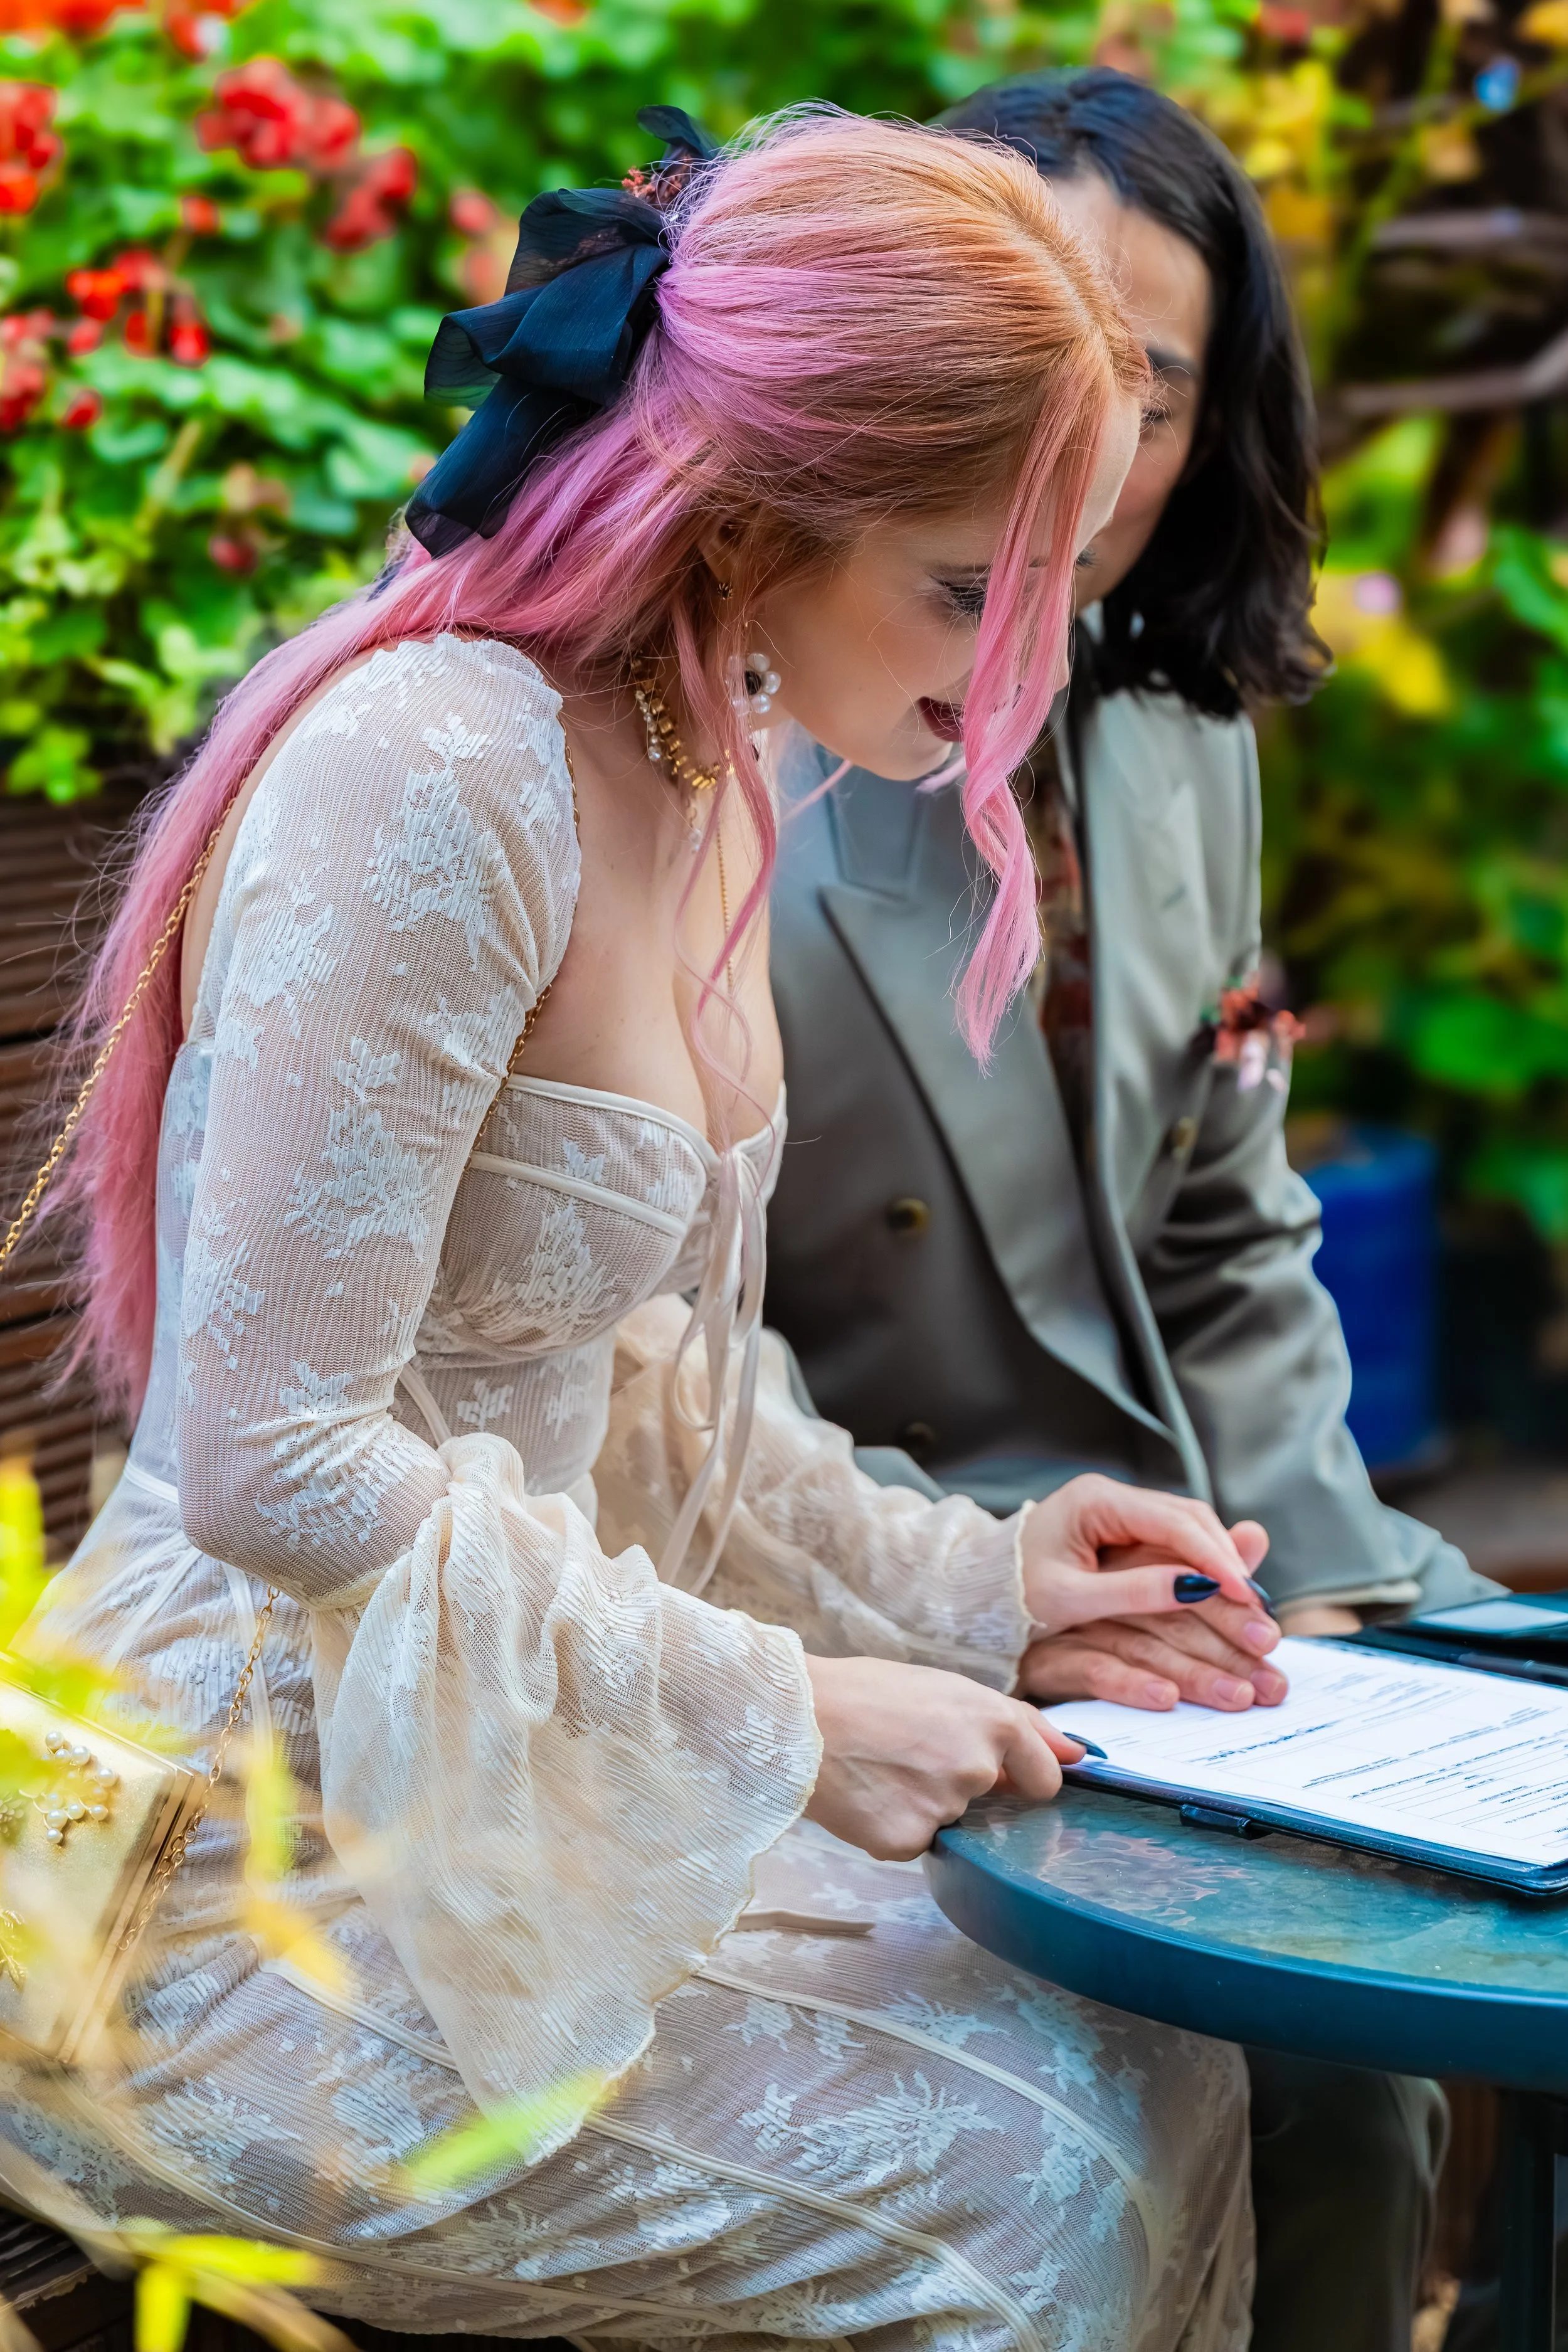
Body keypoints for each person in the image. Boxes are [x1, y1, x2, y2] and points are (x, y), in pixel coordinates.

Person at [1, 106, 1269, 2352]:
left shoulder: (699, 769)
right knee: (1027, 2188)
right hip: (209, 1903)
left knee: (1165, 2054)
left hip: (496, 1798)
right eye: (975, 592)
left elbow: (670, 1399)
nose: (1028, 675)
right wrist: (780, 1708)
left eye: (1054, 592)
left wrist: (979, 1589)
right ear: (754, 513)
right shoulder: (438, 771)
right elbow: (270, 1456)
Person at [764, 70, 1495, 2352]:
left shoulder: (1181, 730)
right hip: (867, 1568)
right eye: (1028, 338)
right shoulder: (749, 731)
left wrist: (1348, 1592)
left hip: (1197, 1560)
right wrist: (963, 1590)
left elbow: (1224, 1235)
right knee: (1329, 2064)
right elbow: (652, 1341)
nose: (1077, 430)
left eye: (1147, 390)